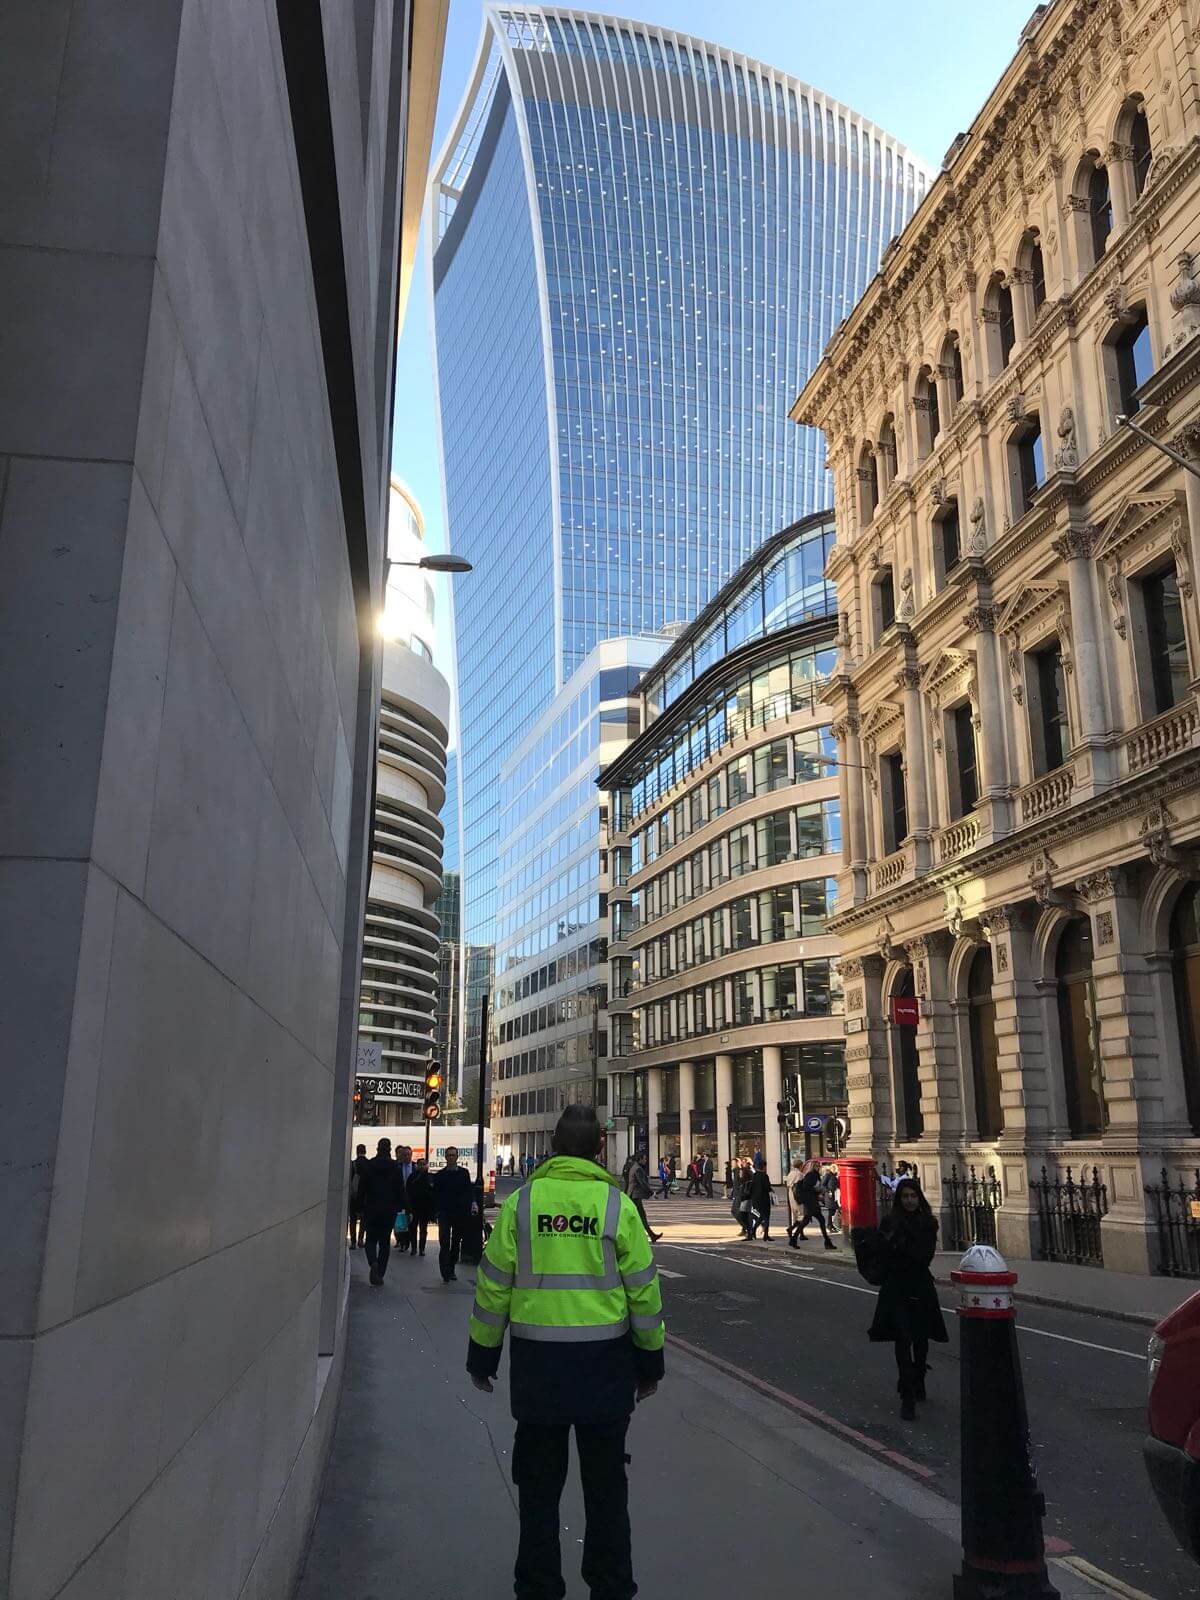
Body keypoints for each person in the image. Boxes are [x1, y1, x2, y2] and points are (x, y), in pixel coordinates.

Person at [467, 1106, 665, 1600]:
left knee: (538, 1494)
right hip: (605, 1370)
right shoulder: (616, 1205)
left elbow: (493, 1288)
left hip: (539, 1374)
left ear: (553, 1146)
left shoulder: (523, 1203)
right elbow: (644, 1292)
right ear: (600, 1148)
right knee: (605, 1494)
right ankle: (612, 1588)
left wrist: (482, 1358)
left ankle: (537, 1588)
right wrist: (649, 1365)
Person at [868, 1177, 948, 1421]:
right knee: (902, 1339)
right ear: (899, 1199)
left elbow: (924, 1257)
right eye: (905, 1197)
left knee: (920, 1338)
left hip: (920, 1286)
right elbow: (880, 1253)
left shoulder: (928, 1223)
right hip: (896, 1287)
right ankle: (907, 1393)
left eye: (913, 1196)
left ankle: (919, 1376)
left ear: (919, 1197)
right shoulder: (890, 1221)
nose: (910, 1200)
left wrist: (897, 1248)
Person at [432, 1146, 478, 1283]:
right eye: (449, 1155)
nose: (451, 1157)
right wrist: (436, 1211)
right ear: (445, 1157)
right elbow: (435, 1194)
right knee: (444, 1242)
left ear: (457, 1157)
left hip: (460, 1213)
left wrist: (473, 1203)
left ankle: (451, 1268)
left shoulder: (464, 1173)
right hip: (445, 1212)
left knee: (456, 1243)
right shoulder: (440, 1175)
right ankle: (445, 1271)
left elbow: (469, 1190)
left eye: (453, 1155)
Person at [360, 1138, 402, 1286]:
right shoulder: (395, 1167)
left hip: (371, 1208)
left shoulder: (369, 1166)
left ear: (377, 1148)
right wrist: (401, 1206)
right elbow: (399, 1189)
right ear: (389, 1149)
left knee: (370, 1240)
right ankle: (380, 1272)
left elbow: (362, 1188)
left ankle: (373, 1262)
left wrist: (360, 1207)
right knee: (385, 1242)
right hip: (388, 1210)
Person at [789, 1159, 837, 1250]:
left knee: (813, 1221)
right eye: (817, 1166)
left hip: (812, 1201)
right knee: (811, 1221)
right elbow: (806, 1187)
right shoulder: (811, 1175)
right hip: (810, 1202)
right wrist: (815, 1190)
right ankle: (827, 1242)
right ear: (813, 1167)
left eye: (819, 1166)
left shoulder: (815, 1175)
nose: (819, 1167)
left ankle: (794, 1239)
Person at [625, 1151, 661, 1243]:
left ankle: (651, 1235)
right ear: (640, 1159)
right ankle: (650, 1235)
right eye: (644, 1159)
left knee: (639, 1216)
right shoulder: (638, 1169)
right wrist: (651, 1193)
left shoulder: (634, 1167)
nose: (645, 1160)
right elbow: (642, 1183)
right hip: (635, 1195)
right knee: (640, 1216)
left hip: (632, 1195)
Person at [405, 1157, 434, 1256]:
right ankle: (413, 1248)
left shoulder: (430, 1177)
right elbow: (407, 1192)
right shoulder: (412, 1177)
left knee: (423, 1229)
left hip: (425, 1208)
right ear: (416, 1165)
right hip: (413, 1207)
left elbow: (433, 1193)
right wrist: (408, 1208)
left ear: (427, 1165)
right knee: (412, 1228)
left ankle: (422, 1248)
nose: (422, 1166)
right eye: (420, 1164)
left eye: (424, 1164)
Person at [745, 1156, 774, 1241]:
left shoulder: (755, 1175)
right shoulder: (764, 1176)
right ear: (764, 1167)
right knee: (766, 1217)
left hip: (755, 1199)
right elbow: (767, 1188)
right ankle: (766, 1235)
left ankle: (754, 1231)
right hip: (764, 1199)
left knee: (760, 1216)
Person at [347, 1143, 370, 1249]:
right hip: (366, 1196)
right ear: (365, 1151)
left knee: (353, 1219)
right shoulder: (369, 1164)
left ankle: (353, 1241)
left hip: (354, 1196)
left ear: (357, 1151)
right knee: (364, 1219)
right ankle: (361, 1239)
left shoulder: (353, 1164)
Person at [730, 1160, 750, 1238]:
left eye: (733, 1163)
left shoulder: (740, 1171)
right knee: (737, 1212)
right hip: (737, 1194)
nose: (732, 1164)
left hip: (741, 1195)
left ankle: (747, 1228)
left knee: (737, 1212)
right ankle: (745, 1228)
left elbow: (742, 1182)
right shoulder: (734, 1171)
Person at [821, 1163, 841, 1232]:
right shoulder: (828, 1175)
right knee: (831, 1211)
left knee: (834, 1210)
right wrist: (828, 1191)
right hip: (829, 1195)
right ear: (833, 1169)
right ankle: (829, 1226)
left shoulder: (835, 1176)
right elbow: (823, 1185)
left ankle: (831, 1225)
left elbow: (837, 1185)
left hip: (834, 1195)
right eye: (836, 1169)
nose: (837, 1171)